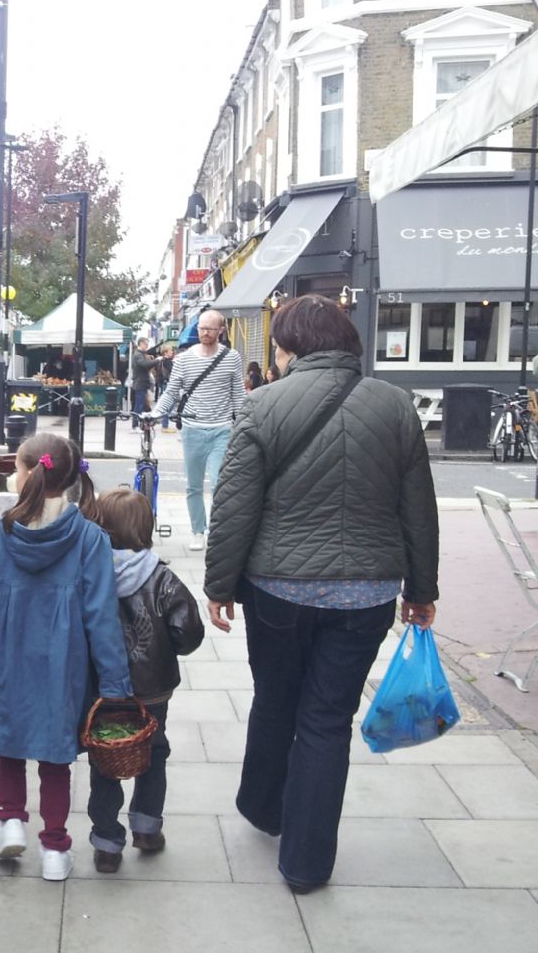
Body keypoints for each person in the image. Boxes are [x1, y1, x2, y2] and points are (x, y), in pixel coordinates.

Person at [203, 295, 439, 894]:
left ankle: (264, 806)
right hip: (366, 595)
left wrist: (219, 584)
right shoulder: (395, 407)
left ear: (289, 349)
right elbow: (418, 508)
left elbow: (235, 507)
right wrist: (422, 588)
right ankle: (306, 865)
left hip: (278, 589)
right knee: (328, 720)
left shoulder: (262, 406)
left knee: (276, 698)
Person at [0, 433, 132, 881]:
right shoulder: (91, 540)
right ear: (72, 478)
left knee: (9, 743)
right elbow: (101, 618)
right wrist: (115, 684)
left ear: (25, 473)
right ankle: (55, 848)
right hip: (63, 664)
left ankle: (11, 819)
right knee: (56, 757)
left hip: (6, 657)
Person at [87, 488, 204, 873]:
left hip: (103, 689)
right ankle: (147, 827)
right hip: (152, 688)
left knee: (105, 758)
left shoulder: (90, 573)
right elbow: (188, 633)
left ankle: (106, 842)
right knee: (153, 752)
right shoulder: (162, 579)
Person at [146, 310, 244, 551]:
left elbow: (238, 394)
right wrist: (156, 414)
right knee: (193, 486)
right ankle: (197, 531)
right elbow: (171, 392)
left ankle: (217, 532)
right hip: (192, 429)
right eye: (201, 328)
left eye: (210, 329)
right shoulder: (184, 359)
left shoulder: (232, 358)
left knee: (219, 484)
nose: (205, 333)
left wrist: (243, 423)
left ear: (221, 330)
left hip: (222, 429)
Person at [129, 336, 161, 428]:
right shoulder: (138, 355)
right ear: (141, 344)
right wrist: (156, 360)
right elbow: (144, 365)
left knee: (141, 405)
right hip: (140, 383)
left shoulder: (141, 354)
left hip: (142, 383)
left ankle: (140, 424)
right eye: (146, 344)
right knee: (138, 405)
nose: (147, 346)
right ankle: (135, 426)